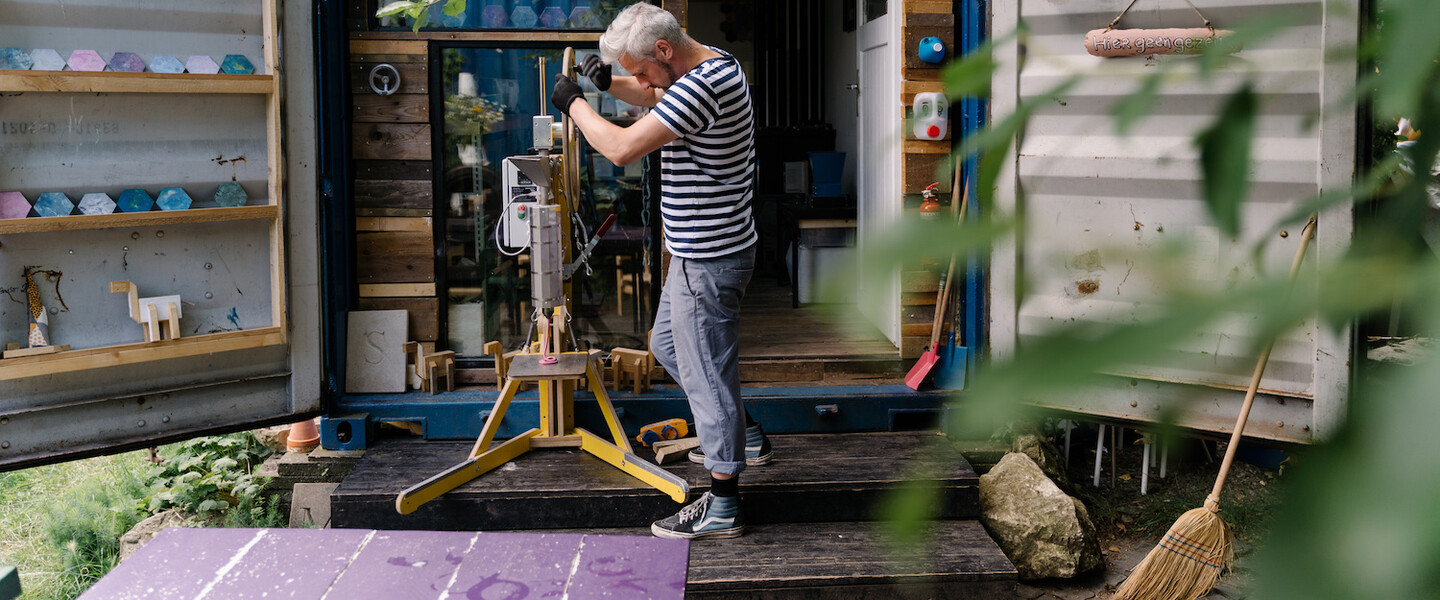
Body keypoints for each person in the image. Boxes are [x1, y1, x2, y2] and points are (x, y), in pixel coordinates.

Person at [550, 2, 771, 540]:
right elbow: (654, 95)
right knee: (671, 347)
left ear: (666, 50)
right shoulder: (713, 63)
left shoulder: (703, 85)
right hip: (705, 253)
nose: (642, 80)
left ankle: (722, 504)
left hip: (707, 259)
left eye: (644, 68)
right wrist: (613, 84)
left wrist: (576, 103)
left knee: (706, 376)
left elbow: (622, 148)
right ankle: (746, 435)